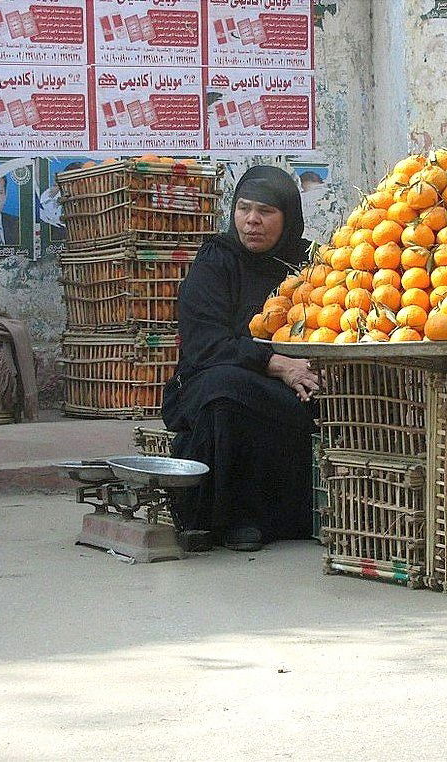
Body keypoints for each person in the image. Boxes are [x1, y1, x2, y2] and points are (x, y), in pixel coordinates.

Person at [161, 166, 320, 552]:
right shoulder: (217, 259)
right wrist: (276, 364)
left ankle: (282, 518)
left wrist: (300, 370)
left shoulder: (308, 263)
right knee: (225, 391)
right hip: (210, 376)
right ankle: (228, 519)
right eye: (244, 208)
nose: (252, 220)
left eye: (265, 211)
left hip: (291, 384)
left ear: (288, 218)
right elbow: (206, 343)